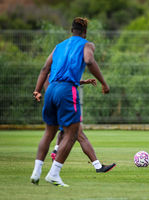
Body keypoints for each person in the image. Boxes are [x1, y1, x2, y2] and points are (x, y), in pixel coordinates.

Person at [30, 17, 114, 187]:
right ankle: (54, 173)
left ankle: (36, 172)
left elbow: (45, 69)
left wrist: (37, 90)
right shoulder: (86, 44)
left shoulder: (59, 46)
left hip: (52, 89)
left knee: (49, 132)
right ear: (84, 32)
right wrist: (104, 83)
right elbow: (89, 61)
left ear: (71, 30)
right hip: (67, 91)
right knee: (72, 134)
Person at [43, 76, 116, 173]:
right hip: (63, 102)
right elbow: (49, 77)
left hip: (59, 102)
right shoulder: (59, 64)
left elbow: (64, 80)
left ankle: (56, 151)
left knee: (65, 131)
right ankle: (98, 166)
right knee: (80, 134)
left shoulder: (58, 67)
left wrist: (84, 82)